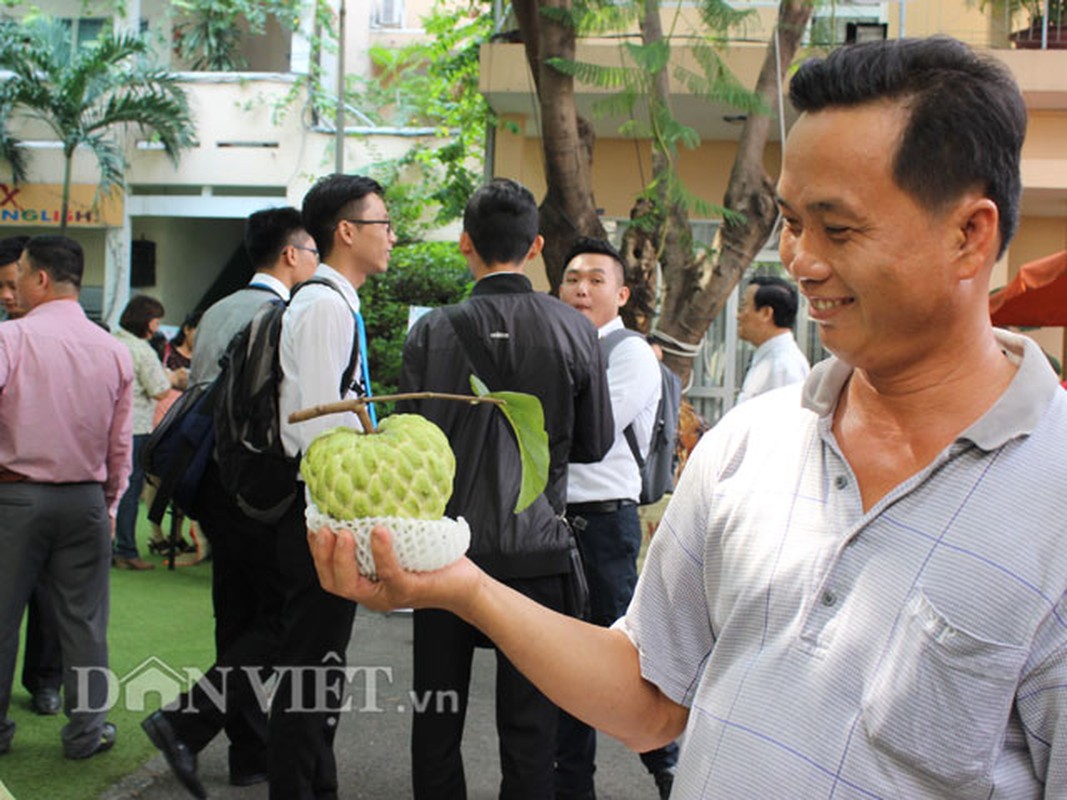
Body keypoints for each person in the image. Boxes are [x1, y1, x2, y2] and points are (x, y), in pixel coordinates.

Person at [309, 37, 1067, 798]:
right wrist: (463, 588)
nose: (798, 261)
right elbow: (648, 700)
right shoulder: (751, 443)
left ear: (968, 235)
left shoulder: (1052, 495)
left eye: (836, 228)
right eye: (791, 222)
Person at [397, 178, 613, 800]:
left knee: (436, 719)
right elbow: (595, 443)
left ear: (465, 243)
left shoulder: (431, 331)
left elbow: (410, 440)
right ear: (537, 245)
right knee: (530, 732)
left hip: (443, 555)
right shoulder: (575, 331)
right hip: (537, 557)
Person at [142, 206, 319, 798]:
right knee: (281, 619)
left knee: (237, 614)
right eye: (312, 252)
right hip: (259, 485)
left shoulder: (218, 309)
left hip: (209, 483)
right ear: (292, 254)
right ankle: (185, 721)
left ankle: (250, 751)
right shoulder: (284, 312)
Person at [268, 174, 393, 800]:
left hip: (328, 511)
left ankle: (317, 784)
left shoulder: (338, 302)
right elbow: (320, 430)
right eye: (383, 224)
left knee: (321, 670)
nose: (392, 237)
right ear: (347, 232)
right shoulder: (322, 306)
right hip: (319, 511)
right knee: (309, 671)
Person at [0, 234, 133, 759]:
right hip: (85, 501)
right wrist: (109, 505)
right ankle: (85, 732)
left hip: (15, 497)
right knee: (84, 623)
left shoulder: (11, 340)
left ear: (40, 279)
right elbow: (120, 446)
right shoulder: (112, 349)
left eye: (19, 277)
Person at [555, 236, 678, 800]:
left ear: (621, 293)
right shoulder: (559, 346)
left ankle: (672, 772)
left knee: (627, 664)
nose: (581, 288)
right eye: (572, 278)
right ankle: (573, 785)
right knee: (563, 664)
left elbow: (585, 434)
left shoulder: (628, 353)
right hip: (556, 522)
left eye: (595, 280)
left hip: (604, 524)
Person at [0, 235, 63, 717]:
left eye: (11, 284)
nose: (7, 294)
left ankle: (45, 680)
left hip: (52, 483)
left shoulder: (68, 336)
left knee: (48, 595)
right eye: (1, 286)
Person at [112, 295, 187, 570]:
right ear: (147, 322)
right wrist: (173, 378)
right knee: (130, 490)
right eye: (155, 321)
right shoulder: (143, 351)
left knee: (108, 490)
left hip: (107, 426)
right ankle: (127, 550)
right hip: (136, 427)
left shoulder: (112, 342)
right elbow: (160, 390)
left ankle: (106, 548)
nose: (157, 327)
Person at [735, 274, 810, 403]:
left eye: (743, 307)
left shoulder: (784, 366)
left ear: (766, 313)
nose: (738, 316)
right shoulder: (770, 359)